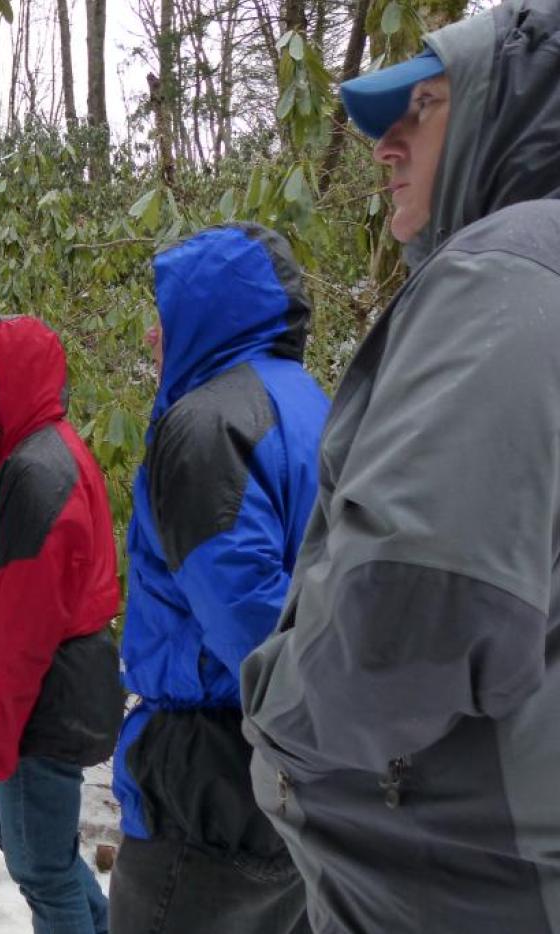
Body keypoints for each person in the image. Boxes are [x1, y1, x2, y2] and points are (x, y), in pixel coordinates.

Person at [241, 3, 560, 931]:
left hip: (466, 881)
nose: (385, 144)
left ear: (515, 116)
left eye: (421, 107)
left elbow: (408, 608)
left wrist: (275, 720)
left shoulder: (506, 269)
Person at [109, 223, 328, 934]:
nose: (153, 339)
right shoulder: (315, 405)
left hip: (211, 769)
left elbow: (249, 622)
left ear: (211, 312)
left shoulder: (206, 424)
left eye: (165, 318)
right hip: (299, 773)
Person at [0, 315, 122, 934]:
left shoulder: (38, 472)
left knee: (42, 869)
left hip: (41, 701)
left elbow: (21, 637)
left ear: (9, 380)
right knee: (25, 843)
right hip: (37, 695)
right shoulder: (21, 452)